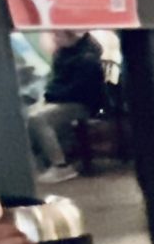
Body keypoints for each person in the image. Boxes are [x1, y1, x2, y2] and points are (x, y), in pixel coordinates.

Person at [25, 28, 110, 176]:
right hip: (61, 99)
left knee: (38, 119)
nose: (54, 38)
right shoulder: (63, 54)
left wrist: (51, 96)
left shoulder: (87, 59)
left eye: (57, 35)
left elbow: (79, 91)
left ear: (71, 36)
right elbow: (57, 83)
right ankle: (40, 163)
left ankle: (60, 165)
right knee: (25, 114)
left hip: (81, 104)